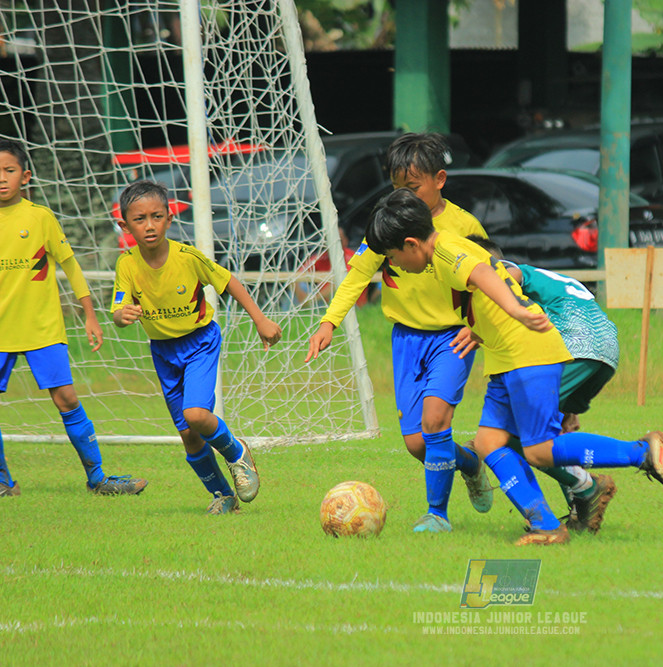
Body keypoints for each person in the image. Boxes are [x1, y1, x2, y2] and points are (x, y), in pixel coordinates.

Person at [364, 188, 663, 546]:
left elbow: (484, 275)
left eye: (392, 257)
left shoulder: (445, 251)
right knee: (488, 443)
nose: (394, 266)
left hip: (526, 351)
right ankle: (545, 524)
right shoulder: (447, 247)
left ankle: (641, 453)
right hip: (506, 357)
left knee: (539, 449)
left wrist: (515, 309)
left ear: (410, 243)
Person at [304, 132, 493, 533]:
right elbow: (357, 276)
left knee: (436, 421)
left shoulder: (462, 226)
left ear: (439, 180)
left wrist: (480, 330)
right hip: (407, 340)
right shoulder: (388, 223)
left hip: (452, 339)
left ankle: (437, 514)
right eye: (396, 188)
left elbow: (492, 280)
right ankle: (471, 463)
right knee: (416, 444)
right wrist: (328, 323)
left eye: (412, 187)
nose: (402, 196)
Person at [111, 180, 281, 514]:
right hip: (162, 351)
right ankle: (223, 495)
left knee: (196, 414)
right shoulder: (127, 264)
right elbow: (118, 308)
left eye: (157, 216)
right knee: (189, 435)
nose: (149, 225)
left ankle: (236, 452)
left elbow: (228, 280)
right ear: (125, 225)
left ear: (169, 218)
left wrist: (260, 319)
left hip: (200, 342)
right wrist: (122, 315)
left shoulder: (187, 258)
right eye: (140, 219)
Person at [0, 139, 147, 498]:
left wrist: (90, 315)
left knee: (66, 398)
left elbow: (70, 265)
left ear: (26, 176)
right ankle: (4, 483)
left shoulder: (39, 218)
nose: (2, 178)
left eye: (9, 170)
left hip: (42, 328)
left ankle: (98, 478)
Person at [467, 235, 619, 534]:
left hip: (572, 343)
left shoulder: (506, 272)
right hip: (603, 344)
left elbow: (506, 280)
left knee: (507, 437)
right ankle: (581, 510)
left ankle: (588, 486)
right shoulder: (543, 280)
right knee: (550, 433)